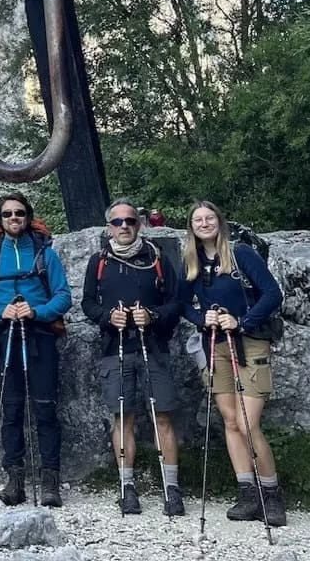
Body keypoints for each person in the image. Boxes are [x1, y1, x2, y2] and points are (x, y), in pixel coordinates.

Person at [179, 200, 287, 526]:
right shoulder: (191, 260)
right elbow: (181, 303)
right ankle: (248, 493)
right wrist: (202, 317)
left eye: (209, 217)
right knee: (229, 420)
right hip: (216, 344)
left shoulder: (240, 254)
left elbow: (272, 293)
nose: (204, 223)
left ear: (219, 221)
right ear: (191, 227)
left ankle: (271, 495)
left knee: (247, 422)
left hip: (248, 342)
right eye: (198, 219)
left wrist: (242, 321)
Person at [81, 198, 184, 516]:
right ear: (108, 227)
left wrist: (152, 315)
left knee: (162, 416)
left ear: (139, 223)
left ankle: (172, 488)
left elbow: (176, 305)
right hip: (116, 348)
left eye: (130, 221)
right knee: (122, 416)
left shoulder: (157, 257)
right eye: (117, 222)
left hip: (153, 347)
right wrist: (107, 317)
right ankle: (127, 487)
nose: (124, 226)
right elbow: (87, 303)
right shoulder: (99, 261)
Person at [0, 192, 72, 507]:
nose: (14, 218)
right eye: (7, 214)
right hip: (6, 337)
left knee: (45, 409)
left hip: (39, 334)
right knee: (11, 410)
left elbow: (63, 296)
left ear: (27, 217)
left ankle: (50, 480)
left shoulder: (45, 254)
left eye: (19, 213)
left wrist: (36, 311)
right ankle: (14, 480)